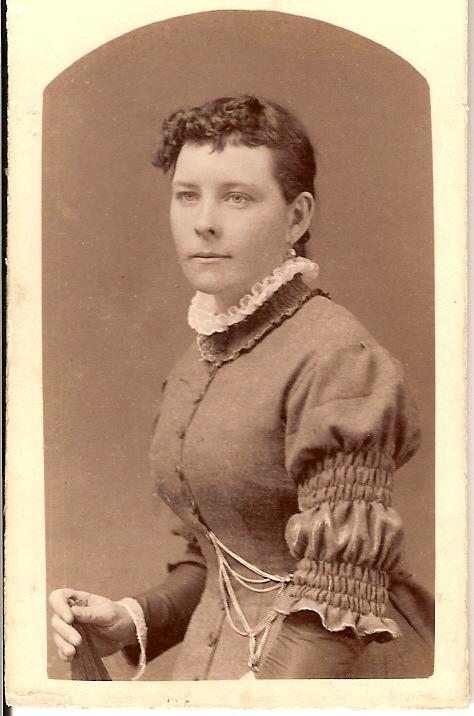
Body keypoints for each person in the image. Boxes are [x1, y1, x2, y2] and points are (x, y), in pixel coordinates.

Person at [49, 95, 434, 680]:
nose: (204, 220)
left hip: (326, 679)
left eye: (236, 196)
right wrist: (132, 619)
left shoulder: (339, 358)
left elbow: (345, 589)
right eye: (187, 195)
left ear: (297, 217)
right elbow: (220, 561)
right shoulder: (198, 359)